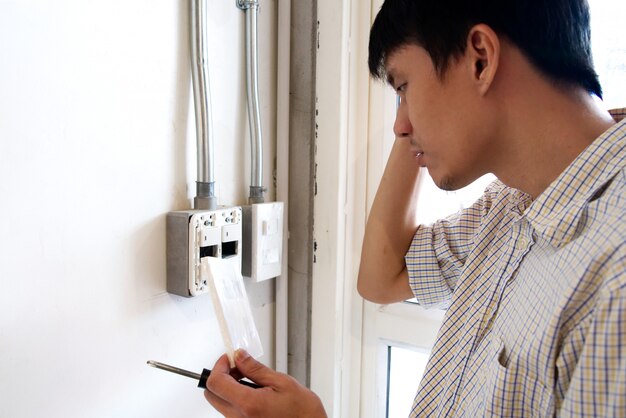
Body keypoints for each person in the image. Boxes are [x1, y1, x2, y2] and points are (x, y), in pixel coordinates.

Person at [204, 0, 626, 416]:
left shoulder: (614, 280)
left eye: (402, 87)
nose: (398, 126)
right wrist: (425, 131)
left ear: (480, 59)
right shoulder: (510, 206)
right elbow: (381, 278)